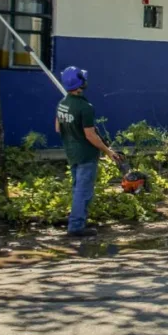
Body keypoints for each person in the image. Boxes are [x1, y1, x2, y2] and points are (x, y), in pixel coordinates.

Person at [55, 66, 121, 238]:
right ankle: (76, 226)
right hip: (86, 154)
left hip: (72, 152)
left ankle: (78, 219)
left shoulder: (62, 104)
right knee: (83, 191)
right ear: (81, 84)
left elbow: (57, 127)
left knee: (78, 188)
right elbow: (90, 135)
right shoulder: (85, 107)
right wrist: (107, 151)